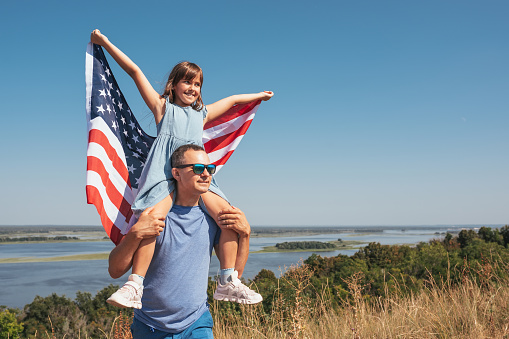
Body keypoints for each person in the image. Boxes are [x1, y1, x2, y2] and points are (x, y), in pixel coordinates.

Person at [90, 29, 273, 308]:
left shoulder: (202, 114)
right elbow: (134, 71)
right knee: (151, 221)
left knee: (228, 216)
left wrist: (258, 95)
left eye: (198, 84)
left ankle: (226, 280)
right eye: (187, 82)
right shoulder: (162, 108)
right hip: (164, 175)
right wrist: (105, 43)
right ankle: (134, 284)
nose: (193, 88)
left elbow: (235, 100)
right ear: (173, 85)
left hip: (195, 172)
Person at [109, 144, 257, 337]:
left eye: (209, 169)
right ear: (176, 174)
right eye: (197, 168)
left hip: (197, 322)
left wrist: (245, 235)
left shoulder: (214, 219)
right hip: (150, 326)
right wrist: (135, 233)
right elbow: (115, 270)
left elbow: (234, 274)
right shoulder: (153, 216)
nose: (205, 174)